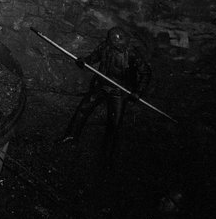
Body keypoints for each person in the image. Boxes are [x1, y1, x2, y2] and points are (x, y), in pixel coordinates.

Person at [64, 26, 152, 171]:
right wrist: (84, 61)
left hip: (119, 91)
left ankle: (106, 156)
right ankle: (71, 136)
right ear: (111, 41)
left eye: (122, 40)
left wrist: (138, 91)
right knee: (83, 109)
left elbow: (146, 73)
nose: (120, 44)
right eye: (116, 41)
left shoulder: (132, 54)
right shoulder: (105, 47)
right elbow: (94, 57)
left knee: (114, 124)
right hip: (101, 84)